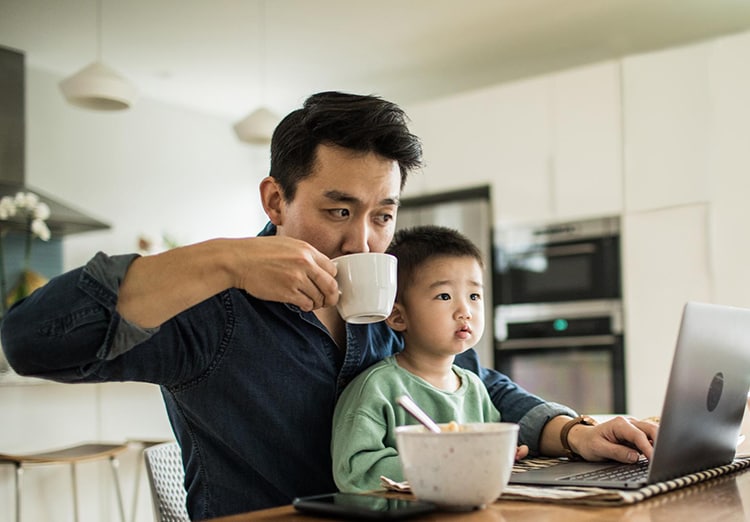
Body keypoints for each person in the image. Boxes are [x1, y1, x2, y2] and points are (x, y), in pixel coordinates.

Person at [0, 91, 658, 519]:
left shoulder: (394, 297)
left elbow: (474, 384)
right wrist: (224, 259)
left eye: (383, 215)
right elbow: (29, 340)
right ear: (275, 200)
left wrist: (572, 432)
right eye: (338, 210)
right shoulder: (212, 307)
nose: (361, 240)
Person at [332, 225, 529, 492]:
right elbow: (355, 473)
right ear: (399, 316)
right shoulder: (377, 388)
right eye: (444, 296)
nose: (465, 311)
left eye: (474, 296)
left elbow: (480, 456)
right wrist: (442, 463)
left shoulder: (475, 388)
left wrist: (500, 455)